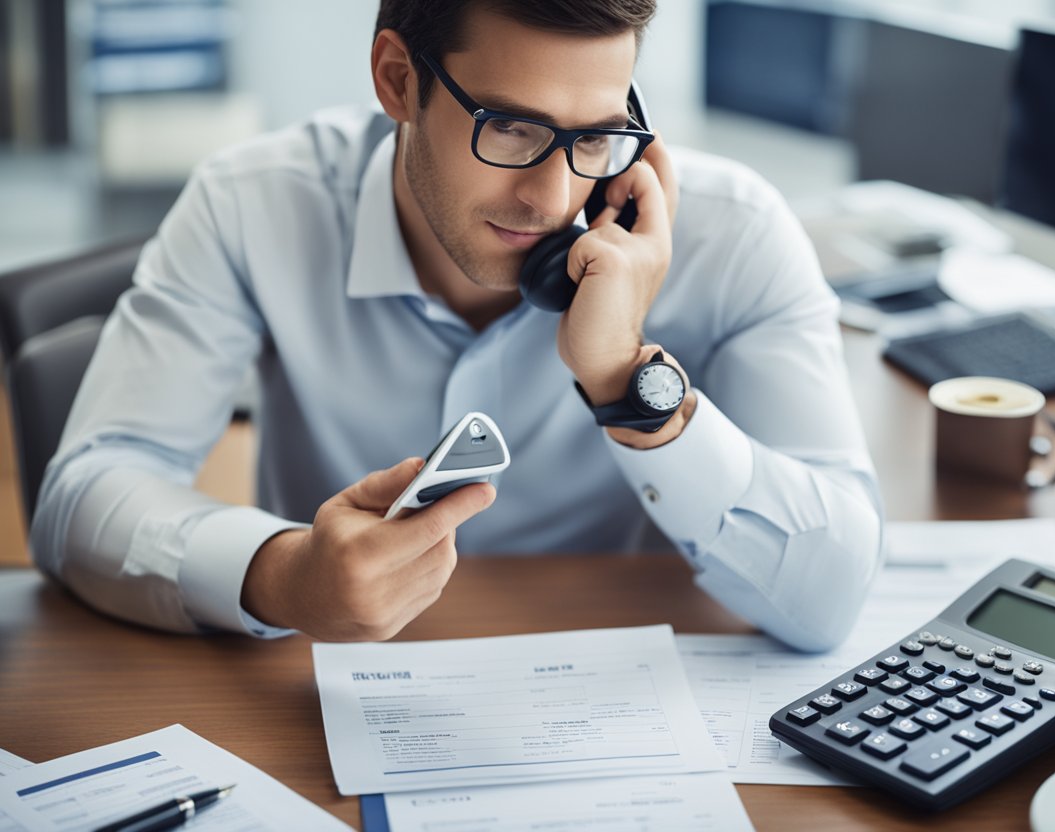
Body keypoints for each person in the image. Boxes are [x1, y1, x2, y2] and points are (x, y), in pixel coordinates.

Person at [31, 0, 882, 650]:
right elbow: (82, 498)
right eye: (510, 128)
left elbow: (833, 595)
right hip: (319, 691)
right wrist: (286, 578)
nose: (555, 200)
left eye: (595, 137)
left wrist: (627, 381)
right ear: (398, 79)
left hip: (611, 700)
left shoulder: (734, 231)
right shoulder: (253, 204)